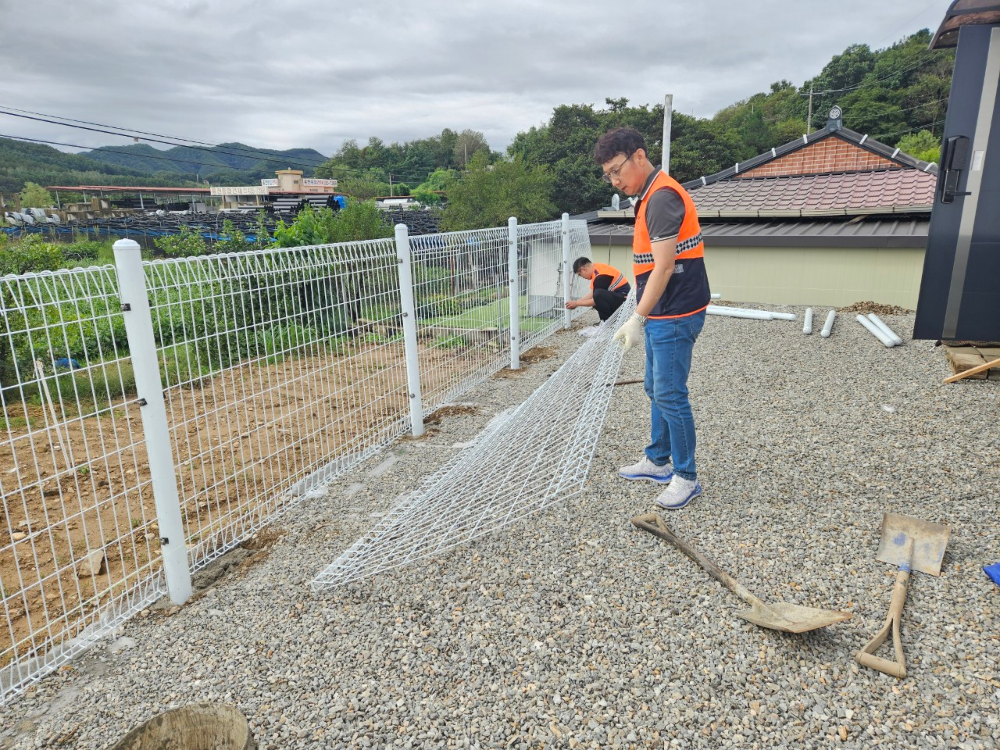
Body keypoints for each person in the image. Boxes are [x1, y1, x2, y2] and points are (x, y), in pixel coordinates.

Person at [596, 127, 710, 510]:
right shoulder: (649, 195)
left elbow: (663, 268)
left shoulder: (661, 198)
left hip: (675, 312)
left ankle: (686, 477)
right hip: (666, 309)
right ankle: (658, 460)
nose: (614, 180)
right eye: (608, 174)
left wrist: (637, 318)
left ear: (639, 157)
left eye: (616, 170)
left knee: (671, 395)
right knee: (654, 386)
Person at [565, 258, 631, 323]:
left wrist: (577, 303)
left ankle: (607, 322)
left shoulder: (600, 277)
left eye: (580, 274)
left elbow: (595, 300)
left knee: (598, 295)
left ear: (583, 270)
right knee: (596, 295)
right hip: (621, 298)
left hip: (624, 302)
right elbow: (592, 294)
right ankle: (611, 320)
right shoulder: (597, 269)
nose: (582, 277)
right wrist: (576, 302)